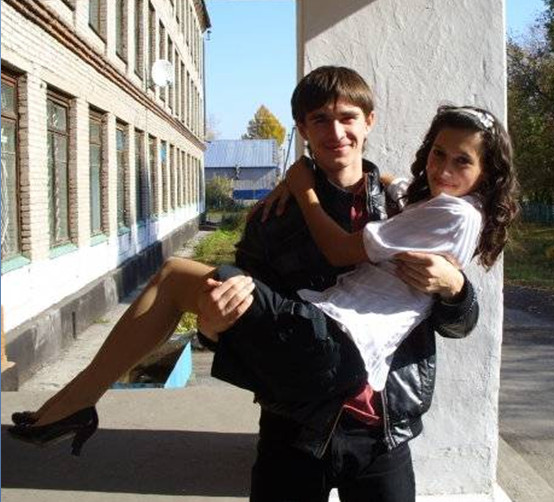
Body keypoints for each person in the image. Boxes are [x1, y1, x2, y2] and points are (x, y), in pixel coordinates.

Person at [8, 67, 513, 501]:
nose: (336, 132)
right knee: (179, 282)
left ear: (369, 122)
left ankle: (74, 403)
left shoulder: (407, 206)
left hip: (382, 427)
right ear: (302, 130)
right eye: (320, 120)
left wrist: (456, 288)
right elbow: (239, 323)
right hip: (296, 425)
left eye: (347, 117)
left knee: (173, 278)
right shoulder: (274, 218)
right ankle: (75, 403)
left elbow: (457, 323)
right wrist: (211, 325)